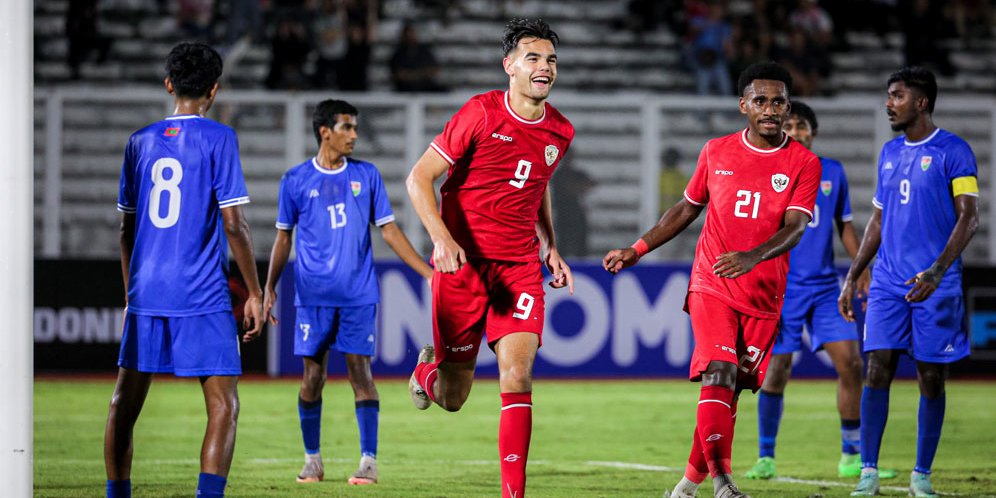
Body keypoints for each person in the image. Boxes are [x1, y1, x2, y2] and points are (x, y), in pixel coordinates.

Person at [603, 61, 821, 498]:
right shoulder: (716, 151)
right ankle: (723, 483)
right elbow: (685, 210)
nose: (770, 109)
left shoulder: (803, 163)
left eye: (779, 101)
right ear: (743, 105)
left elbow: (796, 227)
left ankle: (686, 487)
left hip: (763, 293)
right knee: (718, 372)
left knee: (731, 390)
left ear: (788, 106)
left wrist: (752, 257)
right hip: (712, 282)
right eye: (760, 100)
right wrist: (637, 248)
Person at [405, 18, 575, 498]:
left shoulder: (561, 131)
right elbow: (418, 179)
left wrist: (550, 244)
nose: (545, 68)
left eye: (551, 60)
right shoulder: (479, 113)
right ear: (509, 66)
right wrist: (441, 239)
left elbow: (537, 186)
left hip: (519, 267)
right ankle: (427, 369)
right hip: (462, 266)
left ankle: (513, 494)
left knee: (517, 375)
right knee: (454, 397)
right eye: (533, 58)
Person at [104, 42, 264, 498]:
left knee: (124, 402)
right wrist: (254, 293)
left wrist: (131, 296)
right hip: (202, 291)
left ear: (169, 84)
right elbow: (234, 223)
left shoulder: (139, 142)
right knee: (222, 405)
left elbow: (125, 230)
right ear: (214, 90)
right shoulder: (219, 138)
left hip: (147, 288)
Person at [262, 99, 433, 485]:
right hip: (312, 296)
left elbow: (389, 231)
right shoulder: (295, 180)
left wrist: (427, 272)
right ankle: (312, 460)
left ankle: (368, 463)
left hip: (357, 295)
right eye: (347, 128)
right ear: (325, 131)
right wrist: (268, 289)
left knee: (361, 373)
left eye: (355, 128)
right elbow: (282, 239)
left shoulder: (367, 176)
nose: (354, 135)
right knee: (312, 378)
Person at [839, 66, 979, 498]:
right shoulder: (888, 152)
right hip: (886, 281)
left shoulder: (954, 151)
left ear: (920, 102)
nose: (888, 103)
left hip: (936, 283)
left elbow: (969, 218)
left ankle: (921, 474)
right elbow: (878, 221)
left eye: (896, 95)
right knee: (876, 366)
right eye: (888, 95)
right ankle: (868, 472)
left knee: (930, 376)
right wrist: (853, 273)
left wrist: (936, 271)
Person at [743, 100, 872, 481]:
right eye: (791, 125)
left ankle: (851, 454)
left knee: (850, 363)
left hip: (823, 287)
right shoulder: (769, 168)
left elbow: (844, 225)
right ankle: (766, 456)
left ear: (813, 132)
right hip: (781, 286)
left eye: (803, 126)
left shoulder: (831, 171)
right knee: (777, 369)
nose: (797, 132)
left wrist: (860, 267)